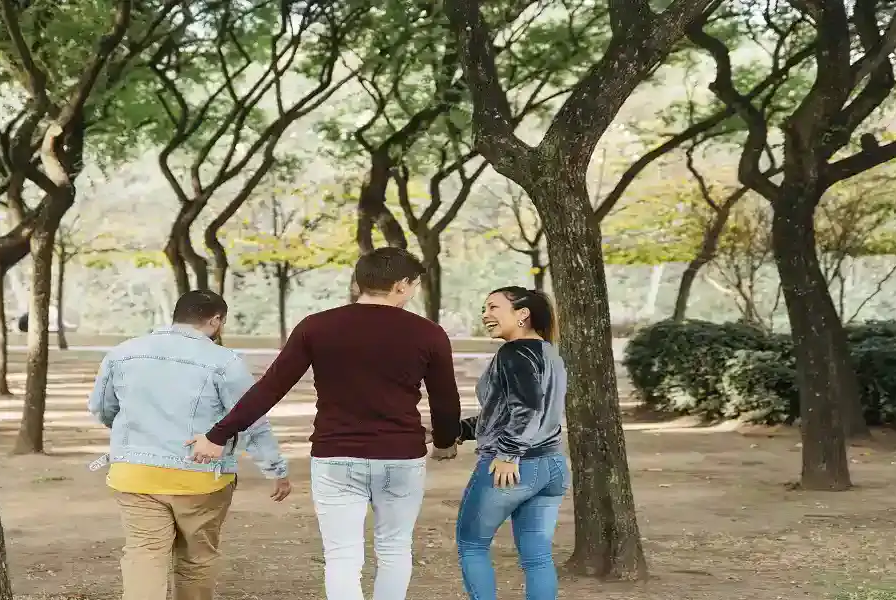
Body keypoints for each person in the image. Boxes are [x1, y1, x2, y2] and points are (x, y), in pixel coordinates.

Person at [189, 247, 462, 600]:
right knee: (394, 548)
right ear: (401, 285)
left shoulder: (316, 326)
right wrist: (444, 442)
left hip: (336, 456)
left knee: (342, 556)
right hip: (401, 456)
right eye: (412, 285)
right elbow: (445, 399)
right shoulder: (428, 333)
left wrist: (218, 434)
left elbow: (271, 387)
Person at [87, 289, 292, 600]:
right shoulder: (225, 361)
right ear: (216, 320)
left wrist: (137, 431)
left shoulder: (122, 352)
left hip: (135, 475)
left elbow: (103, 409)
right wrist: (275, 469)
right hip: (200, 476)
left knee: (144, 557)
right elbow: (251, 418)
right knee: (196, 561)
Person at [454, 286, 568, 600]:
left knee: (471, 545)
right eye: (484, 308)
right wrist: (458, 431)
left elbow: (527, 409)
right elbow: (507, 413)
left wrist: (508, 453)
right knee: (537, 557)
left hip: (516, 468)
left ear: (522, 314)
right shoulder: (549, 352)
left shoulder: (514, 352)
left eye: (494, 308)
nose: (485, 315)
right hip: (552, 466)